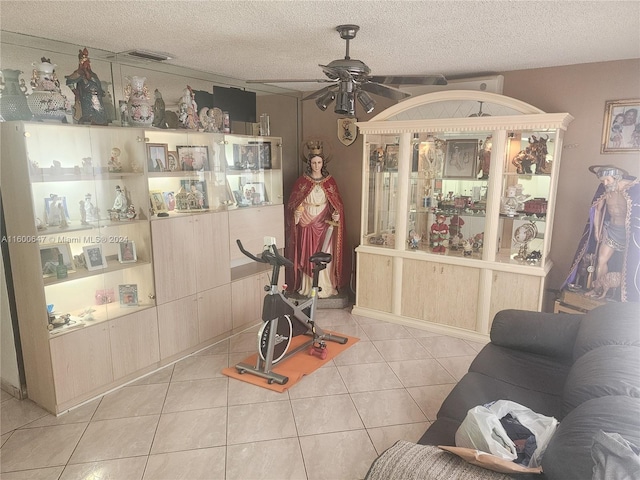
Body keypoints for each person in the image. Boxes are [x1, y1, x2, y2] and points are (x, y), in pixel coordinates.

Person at [564, 165, 640, 302]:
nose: (605, 183)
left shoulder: (632, 190)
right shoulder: (605, 190)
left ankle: (623, 295)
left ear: (616, 178)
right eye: (602, 181)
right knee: (601, 260)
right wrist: (597, 231)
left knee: (627, 263)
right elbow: (597, 210)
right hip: (611, 230)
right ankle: (598, 288)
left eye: (607, 180)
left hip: (628, 233)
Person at [285, 147, 345, 298]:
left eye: (319, 162)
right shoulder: (302, 182)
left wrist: (336, 214)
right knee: (308, 253)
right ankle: (308, 287)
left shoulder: (329, 181)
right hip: (307, 223)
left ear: (323, 163)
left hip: (325, 223)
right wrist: (297, 214)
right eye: (313, 162)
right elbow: (293, 203)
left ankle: (325, 286)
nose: (316, 165)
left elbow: (336, 204)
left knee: (325, 252)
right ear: (309, 164)